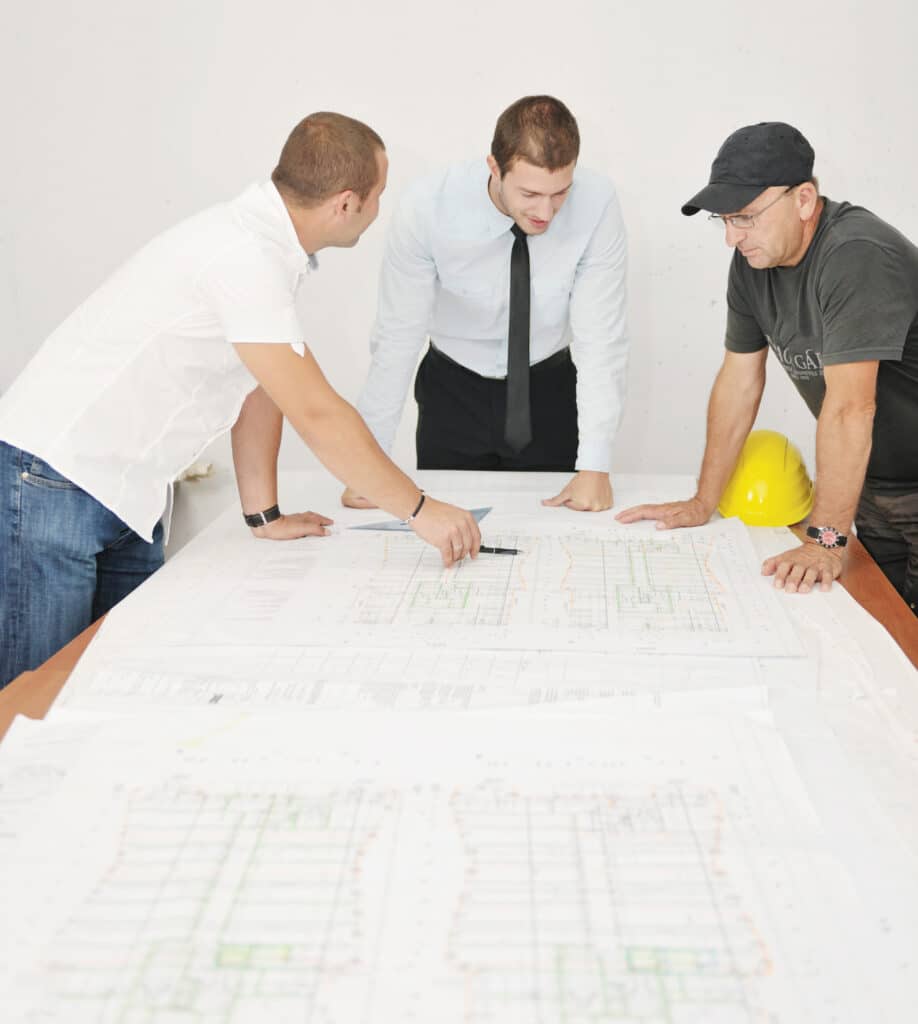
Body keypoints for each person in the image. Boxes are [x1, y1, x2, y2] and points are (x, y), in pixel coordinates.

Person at [0, 112, 481, 687]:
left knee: (114, 687)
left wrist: (264, 515)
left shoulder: (263, 249)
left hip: (124, 493)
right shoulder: (244, 257)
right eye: (380, 193)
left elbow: (262, 386)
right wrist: (420, 510)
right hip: (54, 481)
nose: (381, 206)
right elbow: (316, 412)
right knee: (34, 699)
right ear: (347, 203)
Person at [617, 122, 918, 610]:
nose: (731, 238)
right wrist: (703, 501)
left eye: (745, 217)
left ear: (804, 200)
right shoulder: (753, 264)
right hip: (873, 490)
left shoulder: (855, 255)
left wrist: (824, 541)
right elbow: (738, 383)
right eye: (723, 220)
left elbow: (850, 409)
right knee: (882, 629)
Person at [342, 95, 628, 514]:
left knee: (553, 532)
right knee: (445, 532)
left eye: (560, 193)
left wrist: (596, 466)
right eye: (530, 193)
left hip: (549, 391)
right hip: (452, 393)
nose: (546, 211)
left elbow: (602, 338)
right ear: (495, 167)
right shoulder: (427, 207)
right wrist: (368, 466)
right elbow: (397, 337)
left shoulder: (597, 202)